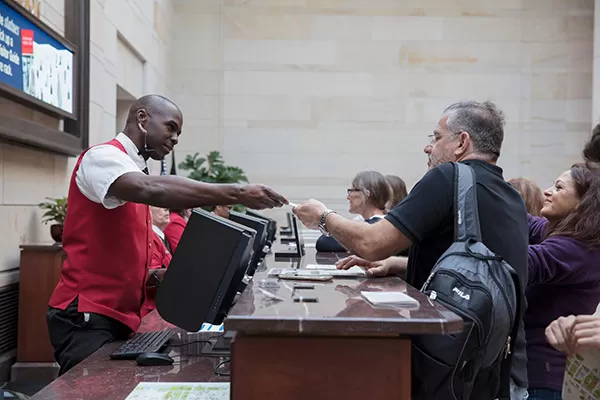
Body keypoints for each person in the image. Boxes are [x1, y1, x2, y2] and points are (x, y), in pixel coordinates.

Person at [293, 100, 529, 399]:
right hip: (502, 370)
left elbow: (372, 242)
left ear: (461, 142)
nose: (428, 148)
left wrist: (323, 217)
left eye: (436, 137)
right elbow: (484, 270)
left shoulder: (447, 177)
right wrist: (398, 264)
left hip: (451, 366)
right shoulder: (512, 196)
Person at [47, 94, 287, 375]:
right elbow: (152, 189)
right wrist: (237, 192)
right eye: (171, 127)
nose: (175, 139)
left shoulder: (134, 169)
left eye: (178, 133)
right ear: (142, 118)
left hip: (122, 317)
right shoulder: (103, 157)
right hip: (86, 316)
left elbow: (127, 253)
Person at [524, 132, 600, 400]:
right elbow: (527, 222)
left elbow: (525, 261)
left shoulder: (578, 247)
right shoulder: (566, 234)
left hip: (546, 376)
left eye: (559, 188)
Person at [316, 171, 391, 252]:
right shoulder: (384, 223)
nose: (348, 197)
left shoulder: (374, 226)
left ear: (367, 194)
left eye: (351, 190)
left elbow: (324, 242)